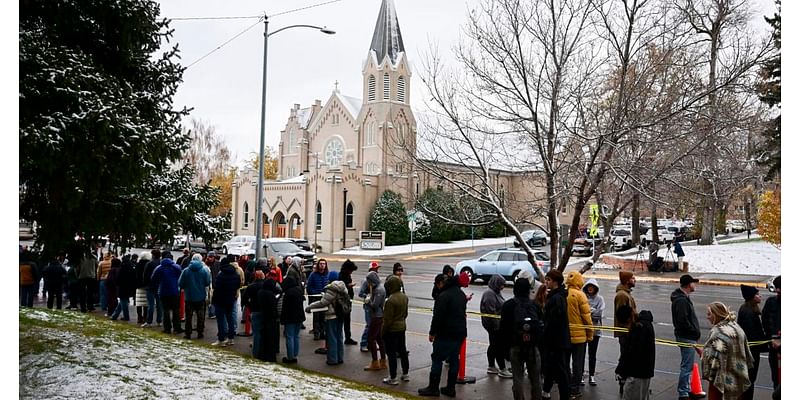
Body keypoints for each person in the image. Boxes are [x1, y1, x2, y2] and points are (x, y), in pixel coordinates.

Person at [418, 274, 467, 397]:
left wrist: (432, 332)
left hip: (445, 333)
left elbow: (437, 318)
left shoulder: (443, 297)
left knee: (437, 359)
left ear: (441, 284)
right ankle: (451, 388)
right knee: (454, 359)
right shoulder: (461, 294)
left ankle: (433, 388)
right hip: (459, 333)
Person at [701, 302, 754, 400]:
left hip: (721, 376)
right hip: (738, 371)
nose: (707, 317)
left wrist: (702, 353)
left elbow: (714, 359)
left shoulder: (717, 332)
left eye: (709, 314)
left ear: (716, 314)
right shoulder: (736, 327)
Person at [500, 278, 543, 400]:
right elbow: (541, 325)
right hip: (533, 348)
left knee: (517, 379)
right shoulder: (535, 305)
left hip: (515, 346)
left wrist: (505, 350)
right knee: (536, 379)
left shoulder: (508, 306)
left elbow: (503, 330)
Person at [671, 274, 702, 400]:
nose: (695, 285)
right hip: (686, 336)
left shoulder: (683, 298)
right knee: (686, 366)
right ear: (689, 285)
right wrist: (693, 330)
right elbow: (682, 320)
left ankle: (686, 388)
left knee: (688, 365)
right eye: (694, 283)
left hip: (688, 336)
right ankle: (683, 392)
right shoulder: (682, 300)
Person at [615, 305, 655, 400]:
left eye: (626, 323)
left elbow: (632, 353)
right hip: (645, 371)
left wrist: (621, 370)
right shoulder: (644, 324)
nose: (626, 326)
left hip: (636, 373)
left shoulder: (639, 328)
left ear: (628, 318)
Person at [542, 270, 571, 400]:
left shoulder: (556, 298)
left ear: (555, 282)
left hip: (556, 341)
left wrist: (545, 333)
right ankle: (546, 390)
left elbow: (554, 321)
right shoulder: (557, 296)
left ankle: (565, 396)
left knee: (560, 370)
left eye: (548, 280)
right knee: (552, 367)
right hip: (556, 340)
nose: (546, 282)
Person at [305, 278, 348, 365]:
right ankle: (340, 357)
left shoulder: (331, 290)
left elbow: (323, 303)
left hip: (331, 316)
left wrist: (310, 307)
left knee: (331, 338)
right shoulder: (343, 288)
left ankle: (332, 359)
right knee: (339, 337)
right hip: (341, 315)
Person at [565, 271, 593, 398]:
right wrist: (590, 334)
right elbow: (587, 318)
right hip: (579, 336)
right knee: (578, 364)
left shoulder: (564, 294)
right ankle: (574, 389)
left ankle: (565, 385)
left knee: (565, 362)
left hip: (565, 335)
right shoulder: (580, 295)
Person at [737, 285, 768, 400]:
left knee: (749, 379)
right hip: (750, 352)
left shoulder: (749, 309)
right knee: (749, 378)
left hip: (750, 350)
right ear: (751, 297)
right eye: (757, 294)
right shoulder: (748, 312)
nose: (760, 296)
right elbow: (753, 335)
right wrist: (766, 344)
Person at [481, 274, 512, 378]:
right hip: (494, 326)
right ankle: (502, 369)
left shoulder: (496, 292)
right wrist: (497, 327)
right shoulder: (489, 294)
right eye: (501, 285)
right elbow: (491, 312)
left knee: (494, 346)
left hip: (496, 325)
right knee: (498, 347)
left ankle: (492, 366)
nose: (502, 287)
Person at [382, 275, 410, 385]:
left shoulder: (390, 301)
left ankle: (393, 377)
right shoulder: (404, 297)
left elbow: (387, 320)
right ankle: (405, 373)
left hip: (392, 330)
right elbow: (406, 313)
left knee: (391, 353)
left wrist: (383, 332)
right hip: (402, 327)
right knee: (403, 351)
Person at [178, 254, 212, 339]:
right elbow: (207, 282)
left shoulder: (186, 270)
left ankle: (188, 333)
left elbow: (180, 283)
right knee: (200, 316)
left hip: (189, 296)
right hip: (201, 296)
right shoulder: (204, 270)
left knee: (188, 316)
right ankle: (200, 332)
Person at [614, 270, 637, 394]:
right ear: (627, 280)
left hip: (628, 331)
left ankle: (624, 379)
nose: (635, 280)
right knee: (625, 357)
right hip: (625, 332)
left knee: (626, 356)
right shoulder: (622, 295)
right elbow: (622, 315)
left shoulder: (626, 293)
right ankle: (622, 380)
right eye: (633, 278)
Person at [151, 253, 183, 335]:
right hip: (174, 291)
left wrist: (158, 284)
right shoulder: (176, 267)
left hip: (163, 291)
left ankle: (167, 328)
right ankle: (177, 327)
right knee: (176, 310)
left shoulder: (159, 268)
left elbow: (153, 278)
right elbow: (181, 276)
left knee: (166, 310)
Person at [211, 256, 240, 346]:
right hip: (230, 299)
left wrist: (213, 300)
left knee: (220, 320)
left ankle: (221, 339)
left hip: (220, 300)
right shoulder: (236, 274)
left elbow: (217, 288)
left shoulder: (221, 275)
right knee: (230, 318)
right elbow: (237, 285)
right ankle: (231, 338)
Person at [363, 270, 388, 371]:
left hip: (377, 316)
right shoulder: (379, 288)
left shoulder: (378, 290)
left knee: (371, 338)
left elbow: (375, 305)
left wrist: (367, 301)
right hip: (379, 316)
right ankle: (382, 360)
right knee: (379, 339)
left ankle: (375, 362)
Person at [582, 278, 605, 386]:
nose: (590, 288)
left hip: (595, 331)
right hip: (583, 330)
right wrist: (591, 311)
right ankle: (581, 374)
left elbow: (599, 314)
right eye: (589, 286)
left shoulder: (600, 299)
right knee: (581, 354)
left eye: (593, 287)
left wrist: (588, 311)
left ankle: (591, 375)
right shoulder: (582, 297)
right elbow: (581, 313)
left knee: (592, 354)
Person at [258, 272, 283, 362]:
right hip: (271, 317)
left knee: (263, 337)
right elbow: (273, 304)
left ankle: (262, 354)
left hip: (264, 316)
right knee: (271, 338)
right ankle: (270, 356)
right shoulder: (270, 295)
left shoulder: (261, 292)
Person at [281, 276, 306, 363]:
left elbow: (285, 308)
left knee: (289, 337)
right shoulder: (299, 290)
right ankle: (295, 354)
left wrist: (282, 319)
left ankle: (290, 357)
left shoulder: (288, 293)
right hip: (299, 316)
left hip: (290, 317)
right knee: (296, 336)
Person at [762, 276, 780, 392]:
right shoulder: (771, 302)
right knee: (776, 379)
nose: (778, 290)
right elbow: (765, 320)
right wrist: (771, 338)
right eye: (777, 287)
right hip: (774, 348)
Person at [359, 261, 381, 352]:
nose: (376, 271)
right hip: (368, 306)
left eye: (377, 269)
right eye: (375, 269)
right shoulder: (366, 281)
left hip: (375, 306)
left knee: (375, 326)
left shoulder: (377, 280)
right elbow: (360, 293)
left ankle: (371, 343)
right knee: (369, 325)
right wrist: (367, 296)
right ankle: (364, 343)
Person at [243, 270, 266, 355]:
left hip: (255, 310)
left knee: (256, 332)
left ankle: (256, 352)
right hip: (264, 310)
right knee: (263, 332)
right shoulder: (266, 285)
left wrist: (250, 306)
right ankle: (262, 350)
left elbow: (244, 298)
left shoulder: (251, 286)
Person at [307, 259, 330, 341]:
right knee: (316, 317)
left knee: (323, 317)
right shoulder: (313, 275)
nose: (322, 265)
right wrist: (315, 292)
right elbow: (309, 287)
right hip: (316, 298)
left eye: (324, 264)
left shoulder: (327, 274)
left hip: (325, 298)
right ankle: (316, 333)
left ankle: (322, 332)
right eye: (321, 264)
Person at [339, 259, 359, 345]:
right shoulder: (342, 276)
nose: (351, 272)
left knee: (347, 320)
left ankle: (348, 337)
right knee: (344, 319)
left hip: (348, 299)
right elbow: (342, 287)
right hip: (344, 300)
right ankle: (345, 337)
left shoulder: (346, 274)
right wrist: (349, 285)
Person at [111, 257, 136, 321]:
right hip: (130, 286)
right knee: (122, 301)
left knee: (123, 301)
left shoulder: (122, 268)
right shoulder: (132, 267)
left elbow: (118, 278)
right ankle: (114, 315)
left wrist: (116, 283)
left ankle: (126, 316)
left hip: (122, 287)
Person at [142, 249, 162, 326]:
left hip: (150, 286)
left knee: (151, 304)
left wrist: (146, 284)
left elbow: (145, 275)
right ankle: (159, 321)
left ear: (153, 255)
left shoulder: (149, 264)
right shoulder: (160, 263)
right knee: (159, 304)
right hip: (159, 285)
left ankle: (149, 321)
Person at [134, 251, 151, 324]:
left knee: (139, 303)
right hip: (147, 286)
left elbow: (135, 275)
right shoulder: (149, 264)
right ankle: (145, 317)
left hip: (139, 285)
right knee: (146, 304)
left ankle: (139, 317)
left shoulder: (138, 265)